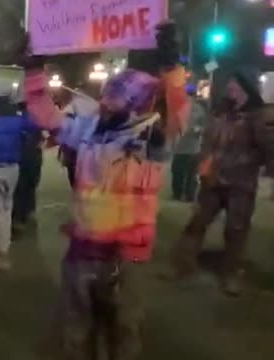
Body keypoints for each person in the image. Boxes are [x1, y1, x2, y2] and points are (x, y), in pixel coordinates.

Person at [24, 22, 189, 359]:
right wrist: (33, 71)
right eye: (108, 96)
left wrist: (172, 68)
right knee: (75, 326)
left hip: (125, 256)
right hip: (82, 249)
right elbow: (46, 117)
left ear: (138, 105)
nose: (107, 104)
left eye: (117, 99)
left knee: (123, 329)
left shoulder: (151, 139)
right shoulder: (88, 128)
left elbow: (177, 115)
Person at [169, 68, 274, 296]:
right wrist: (205, 166)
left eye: (234, 86)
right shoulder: (220, 113)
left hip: (241, 183)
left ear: (246, 90)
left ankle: (231, 274)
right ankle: (183, 266)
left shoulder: (258, 116)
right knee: (197, 222)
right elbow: (208, 141)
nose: (230, 90)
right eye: (229, 87)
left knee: (236, 230)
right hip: (213, 180)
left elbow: (269, 148)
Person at [0, 79, 35, 272]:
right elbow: (32, 130)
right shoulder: (19, 113)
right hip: (14, 165)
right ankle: (1, 248)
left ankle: (1, 256)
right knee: (6, 208)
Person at [12, 100, 44, 233]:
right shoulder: (38, 118)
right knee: (31, 185)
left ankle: (19, 218)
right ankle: (29, 211)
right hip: (34, 155)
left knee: (20, 188)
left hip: (21, 155)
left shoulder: (17, 119)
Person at [171, 88, 207, 202]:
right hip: (181, 147)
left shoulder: (198, 109)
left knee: (188, 173)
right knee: (180, 172)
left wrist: (197, 130)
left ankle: (188, 195)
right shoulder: (179, 107)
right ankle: (180, 194)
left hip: (191, 147)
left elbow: (204, 126)